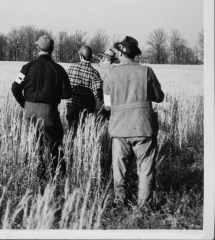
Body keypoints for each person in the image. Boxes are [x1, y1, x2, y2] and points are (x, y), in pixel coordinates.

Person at [103, 36, 164, 207]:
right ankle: (144, 208)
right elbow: (159, 97)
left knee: (119, 169)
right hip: (143, 127)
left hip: (119, 128)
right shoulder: (147, 71)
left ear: (120, 53)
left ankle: (120, 202)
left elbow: (107, 106)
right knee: (145, 169)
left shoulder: (110, 74)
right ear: (134, 54)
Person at [11, 35, 72, 176]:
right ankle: (58, 174)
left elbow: (15, 88)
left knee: (32, 143)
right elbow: (67, 94)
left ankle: (36, 173)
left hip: (29, 109)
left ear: (38, 48)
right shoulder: (59, 69)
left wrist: (24, 104)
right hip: (49, 111)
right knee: (55, 143)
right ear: (52, 50)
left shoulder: (26, 67)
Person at [65, 45, 103, 134]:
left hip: (71, 105)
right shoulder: (94, 72)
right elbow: (97, 93)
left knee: (71, 131)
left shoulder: (71, 68)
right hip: (86, 108)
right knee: (82, 132)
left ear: (81, 56)